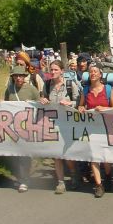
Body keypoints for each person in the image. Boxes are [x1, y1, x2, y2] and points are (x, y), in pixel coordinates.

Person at [39, 60, 81, 193]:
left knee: (67, 154)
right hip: (53, 124)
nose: (53, 72)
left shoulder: (70, 84)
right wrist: (43, 100)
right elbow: (43, 99)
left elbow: (79, 102)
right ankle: (61, 182)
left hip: (68, 124)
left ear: (62, 71)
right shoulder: (46, 85)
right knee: (56, 154)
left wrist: (69, 103)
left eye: (56, 70)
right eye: (51, 70)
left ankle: (74, 174)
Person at [78, 65, 113, 198]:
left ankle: (108, 176)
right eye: (90, 72)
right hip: (91, 127)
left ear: (100, 75)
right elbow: (81, 105)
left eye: (95, 71)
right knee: (94, 156)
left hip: (105, 127)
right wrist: (81, 107)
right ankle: (99, 185)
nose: (93, 73)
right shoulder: (86, 90)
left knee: (105, 156)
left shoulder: (108, 89)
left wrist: (104, 109)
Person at [5, 65, 40, 193]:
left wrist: (31, 103)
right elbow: (6, 105)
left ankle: (24, 180)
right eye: (16, 76)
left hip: (28, 126)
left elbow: (40, 104)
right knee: (17, 155)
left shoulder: (32, 89)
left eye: (21, 76)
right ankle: (22, 177)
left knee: (24, 154)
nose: (18, 78)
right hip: (14, 127)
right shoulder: (10, 89)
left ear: (25, 77)